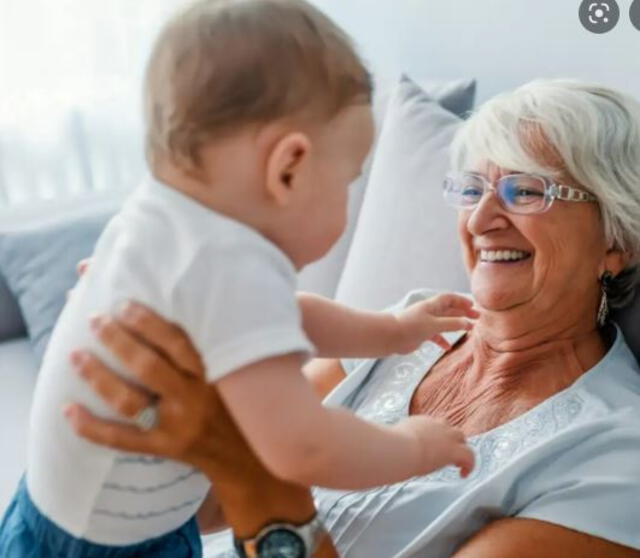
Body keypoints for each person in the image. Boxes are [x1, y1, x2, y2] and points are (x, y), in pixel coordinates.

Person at [67, 79, 640, 557]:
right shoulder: (409, 329)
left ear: (616, 241)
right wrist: (158, 411)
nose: (481, 218)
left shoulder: (614, 459)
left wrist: (245, 470)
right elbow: (214, 504)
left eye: (526, 190)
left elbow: (247, 477)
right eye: (473, 189)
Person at [0, 1, 477, 557]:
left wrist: (391, 330)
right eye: (348, 181)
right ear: (288, 168)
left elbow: (289, 312)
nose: (349, 203)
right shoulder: (229, 266)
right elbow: (303, 450)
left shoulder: (162, 220)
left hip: (51, 515)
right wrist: (414, 448)